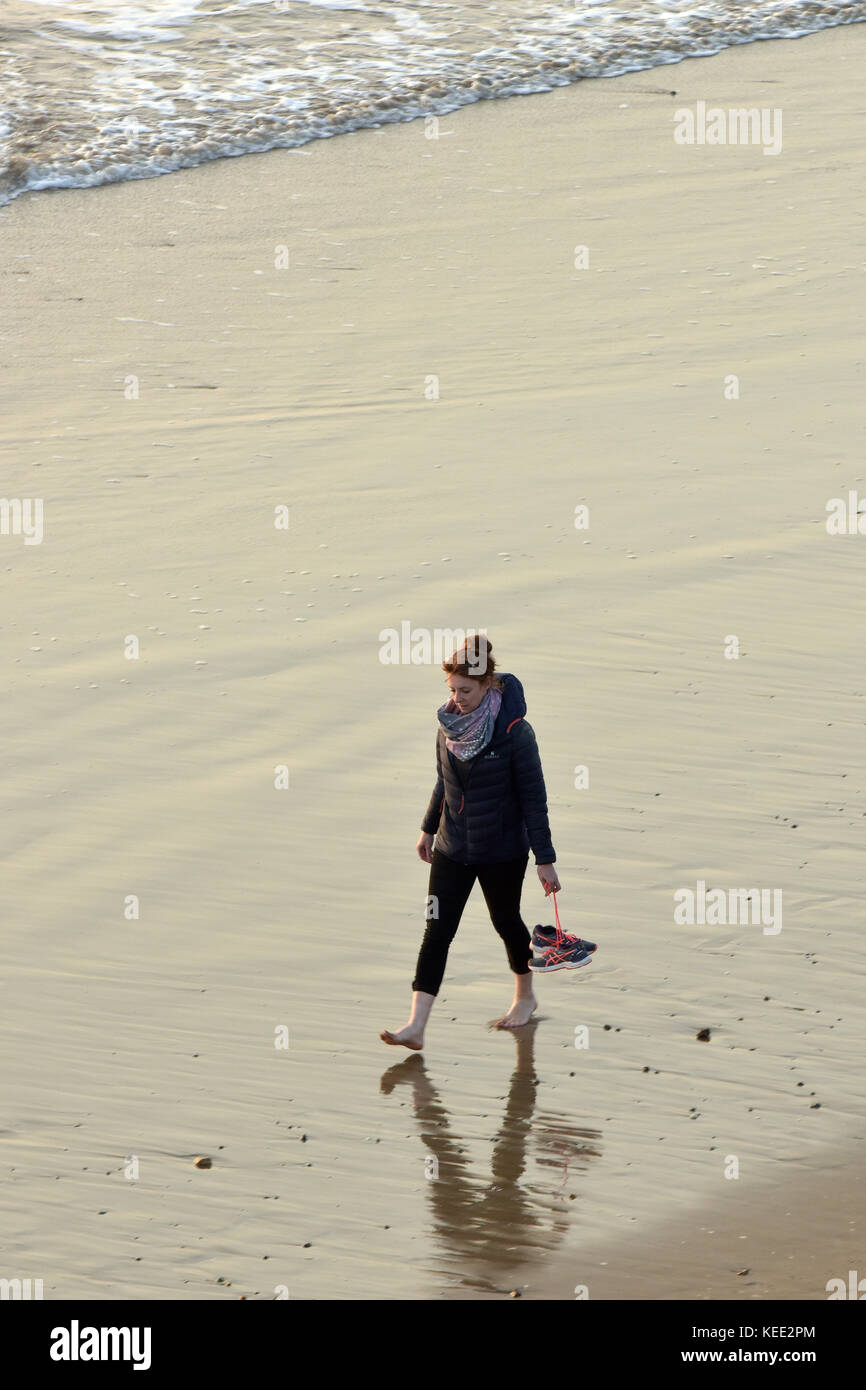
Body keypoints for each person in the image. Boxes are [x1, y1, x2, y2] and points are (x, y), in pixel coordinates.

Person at [380, 636, 593, 1052]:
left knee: (506, 922)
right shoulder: (447, 726)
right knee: (437, 931)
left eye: (466, 690)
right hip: (452, 846)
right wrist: (427, 828)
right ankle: (415, 1026)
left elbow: (535, 799)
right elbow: (443, 780)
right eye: (452, 689)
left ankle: (525, 996)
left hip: (501, 850)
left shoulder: (515, 732)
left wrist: (545, 860)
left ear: (488, 684)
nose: (457, 699)